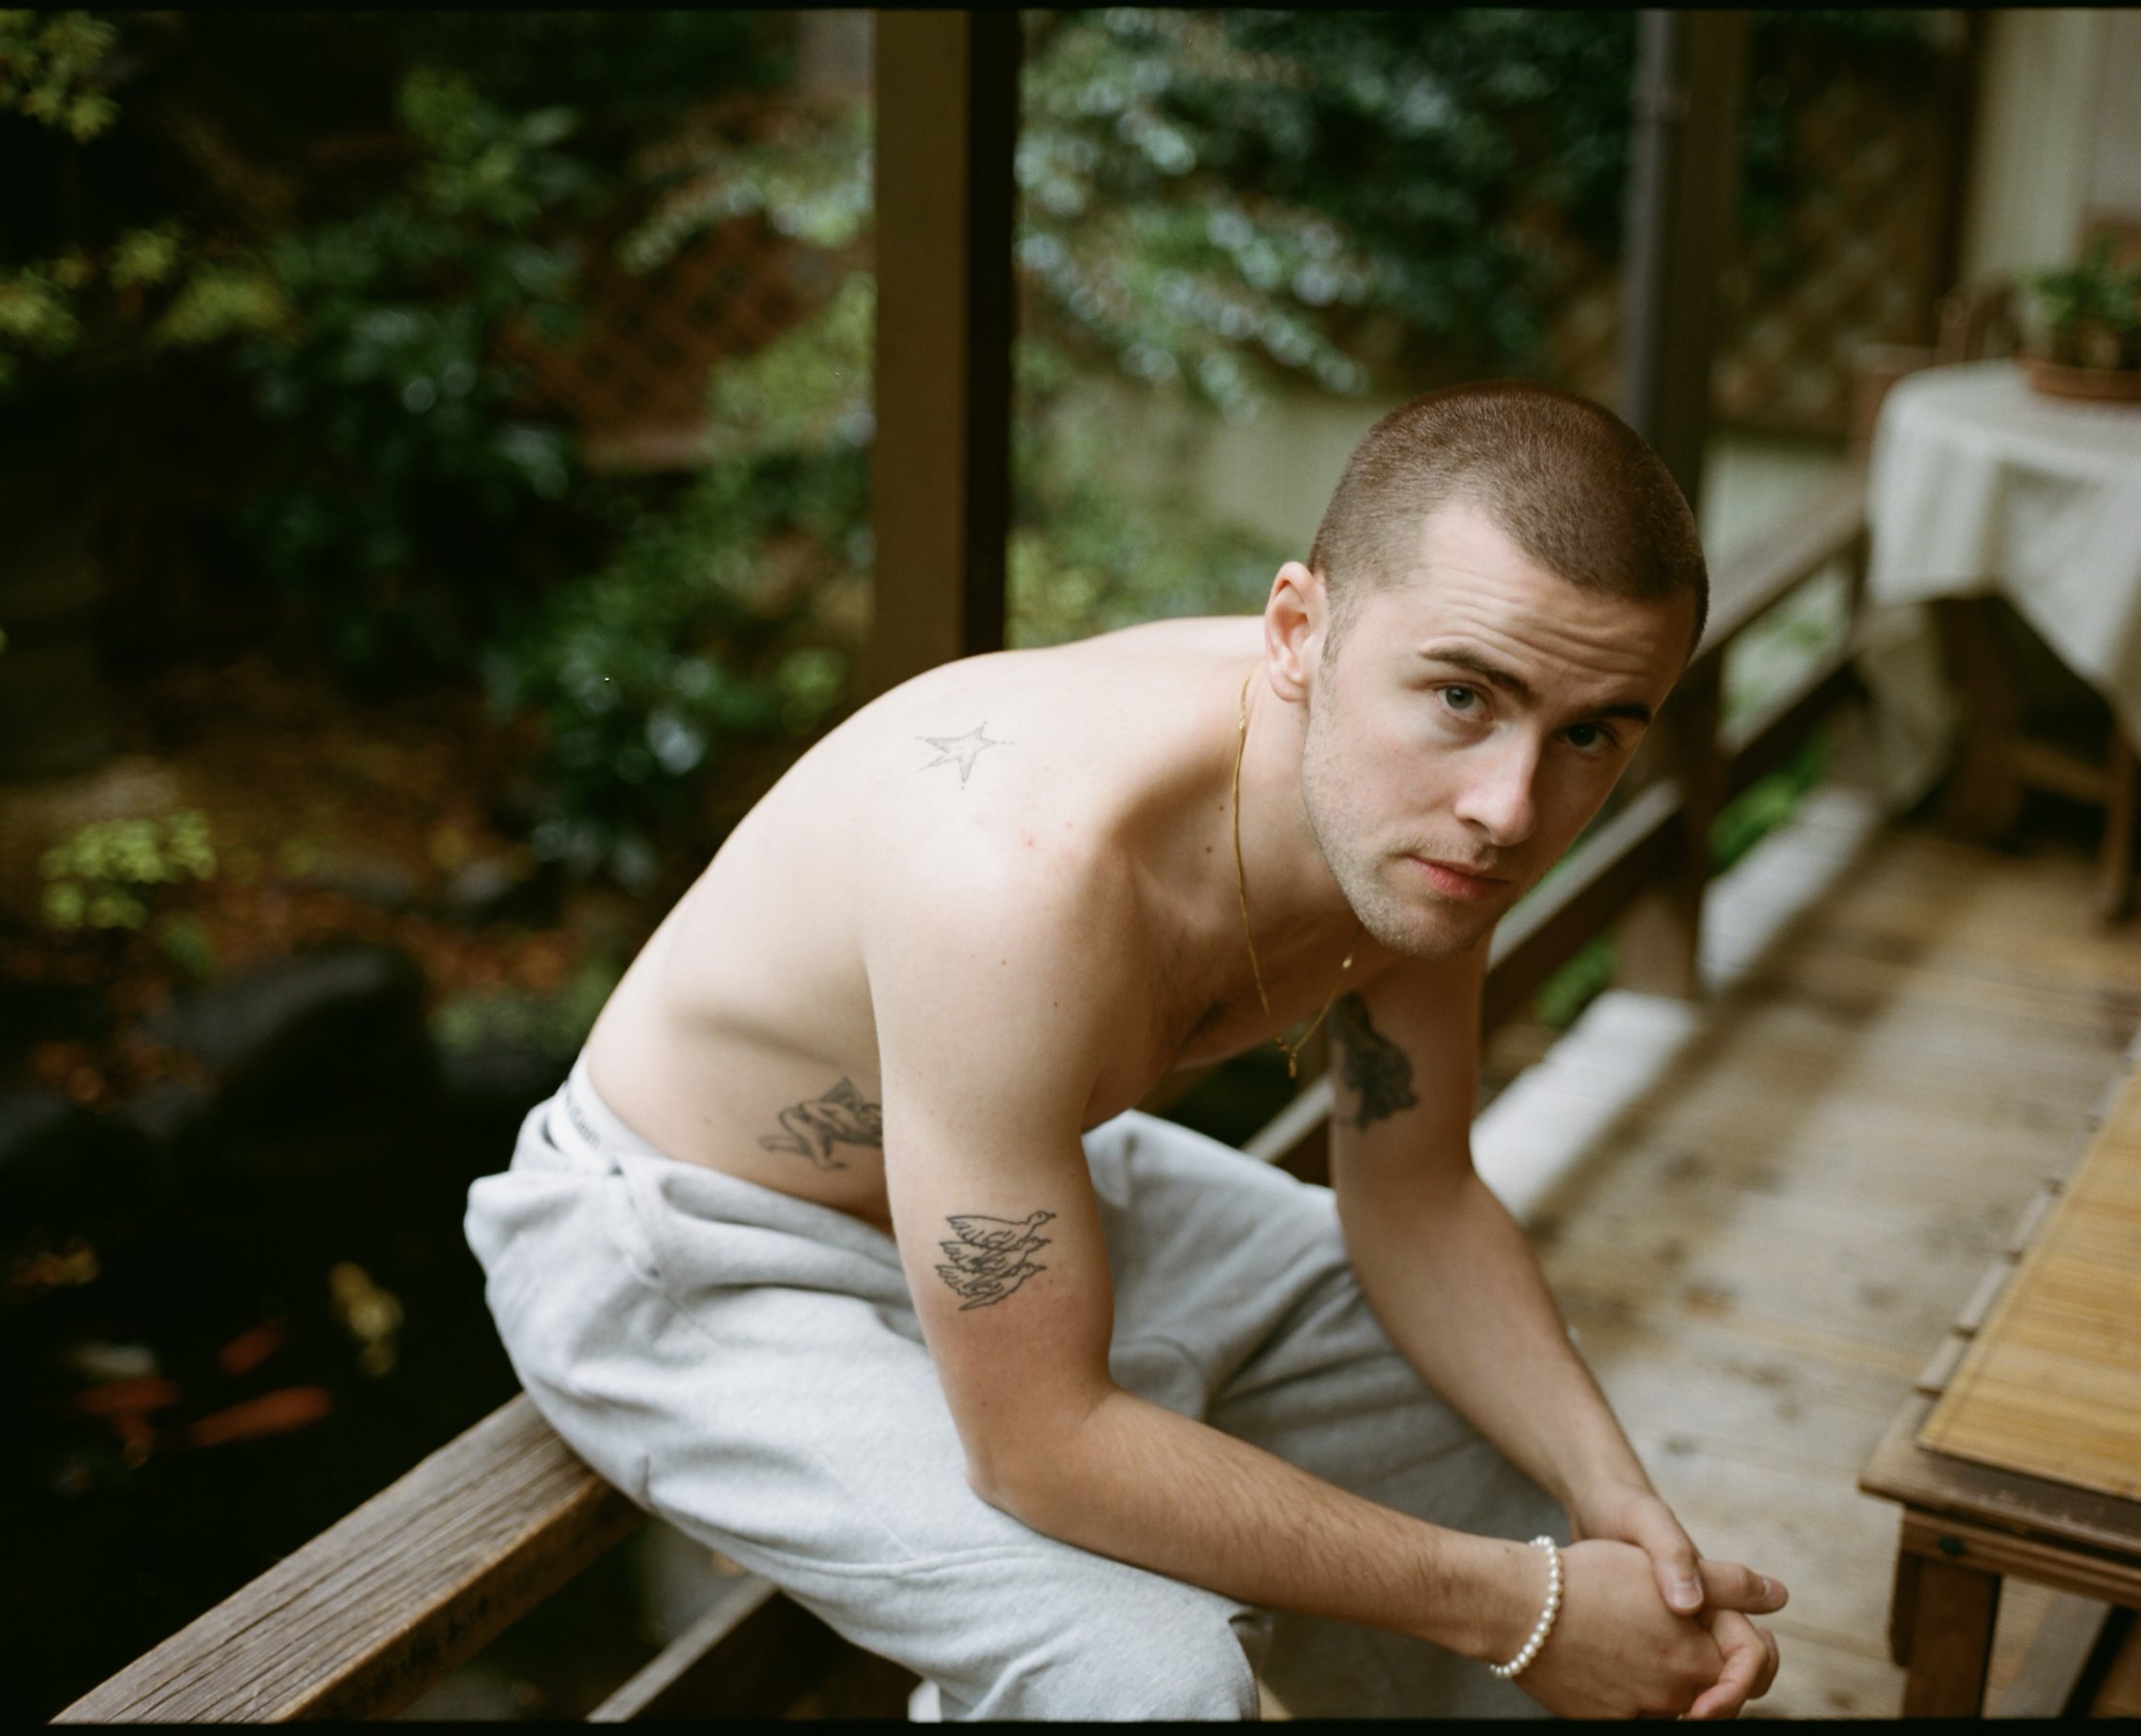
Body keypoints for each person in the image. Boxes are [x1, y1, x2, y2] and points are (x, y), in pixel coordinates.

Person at [465, 380, 1788, 1719]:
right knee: (1145, 1676)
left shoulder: (1417, 823)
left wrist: (1616, 1503)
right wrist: (1523, 1608)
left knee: (1468, 1433)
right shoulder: (1014, 875)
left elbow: (1417, 1187)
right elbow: (1040, 1446)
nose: (1511, 806)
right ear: (1298, 630)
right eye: (1463, 695)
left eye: (1591, 734)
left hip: (1016, 1174)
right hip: (695, 1244)